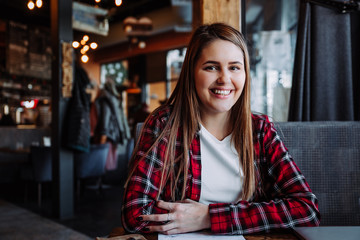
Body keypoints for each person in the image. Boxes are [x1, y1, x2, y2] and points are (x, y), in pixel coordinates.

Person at [122, 23, 320, 235]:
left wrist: (209, 217)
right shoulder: (165, 124)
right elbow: (135, 215)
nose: (224, 79)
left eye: (234, 67)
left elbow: (307, 211)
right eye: (211, 67)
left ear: (245, 73)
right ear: (192, 73)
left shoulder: (261, 130)